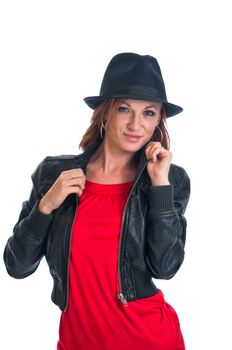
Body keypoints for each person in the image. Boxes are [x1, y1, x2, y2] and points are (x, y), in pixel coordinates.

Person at [3, 52, 190, 350]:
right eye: (125, 109)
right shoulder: (54, 174)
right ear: (105, 112)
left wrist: (160, 187)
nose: (136, 124)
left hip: (148, 339)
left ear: (158, 121)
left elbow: (165, 267)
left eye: (149, 113)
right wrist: (45, 206)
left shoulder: (168, 180)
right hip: (76, 342)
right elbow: (16, 265)